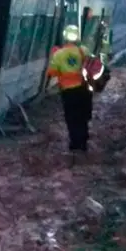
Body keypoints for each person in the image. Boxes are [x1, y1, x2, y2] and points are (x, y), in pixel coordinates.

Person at [47, 24, 93, 165]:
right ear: (77, 36)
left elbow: (52, 72)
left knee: (72, 118)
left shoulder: (58, 54)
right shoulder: (83, 50)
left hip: (68, 91)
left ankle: (75, 144)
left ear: (65, 36)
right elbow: (91, 64)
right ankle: (84, 142)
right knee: (83, 116)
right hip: (84, 90)